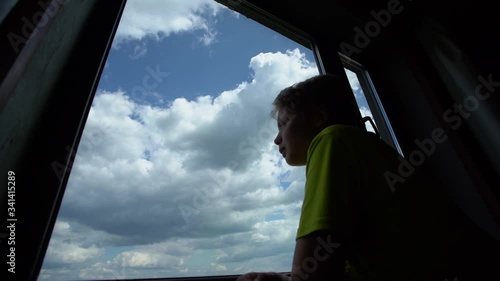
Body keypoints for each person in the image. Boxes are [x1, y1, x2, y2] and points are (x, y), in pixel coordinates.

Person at [236, 74, 500, 281]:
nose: (276, 139)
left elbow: (314, 275)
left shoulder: (332, 139)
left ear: (319, 117)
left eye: (284, 123)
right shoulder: (369, 150)